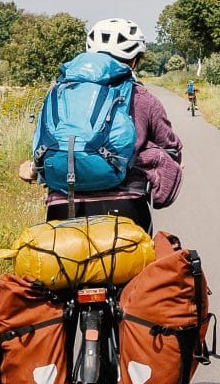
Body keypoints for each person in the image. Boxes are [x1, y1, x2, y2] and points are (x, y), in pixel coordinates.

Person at [28, 18, 183, 230]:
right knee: (140, 263)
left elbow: (44, 144)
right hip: (127, 209)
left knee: (61, 261)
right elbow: (170, 148)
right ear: (135, 60)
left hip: (64, 205)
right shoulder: (143, 97)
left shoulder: (59, 92)